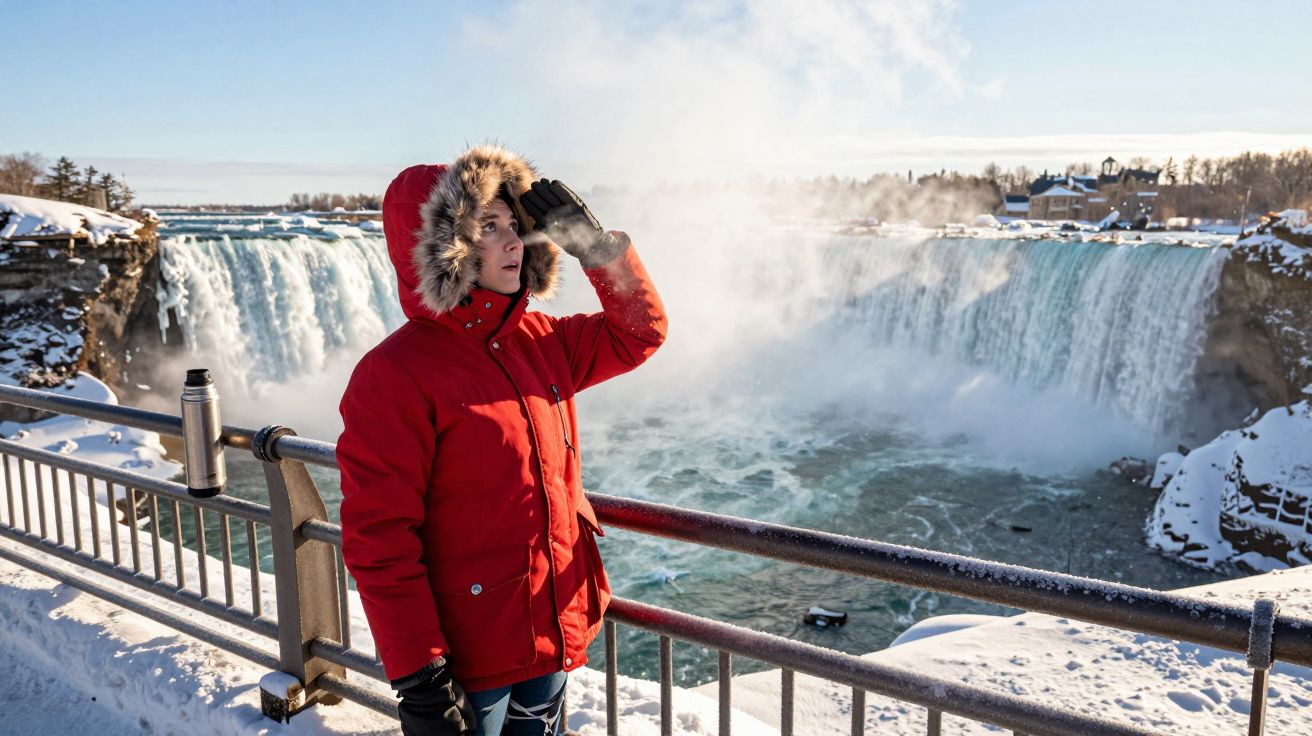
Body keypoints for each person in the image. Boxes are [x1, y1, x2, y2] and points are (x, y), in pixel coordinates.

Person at [337, 144, 667, 736]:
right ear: (444, 247)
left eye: (516, 226)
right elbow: (379, 538)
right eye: (489, 227)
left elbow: (639, 333)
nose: (515, 242)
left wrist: (598, 253)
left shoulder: (541, 340)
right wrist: (420, 676)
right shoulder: (394, 374)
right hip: (472, 661)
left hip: (554, 621)